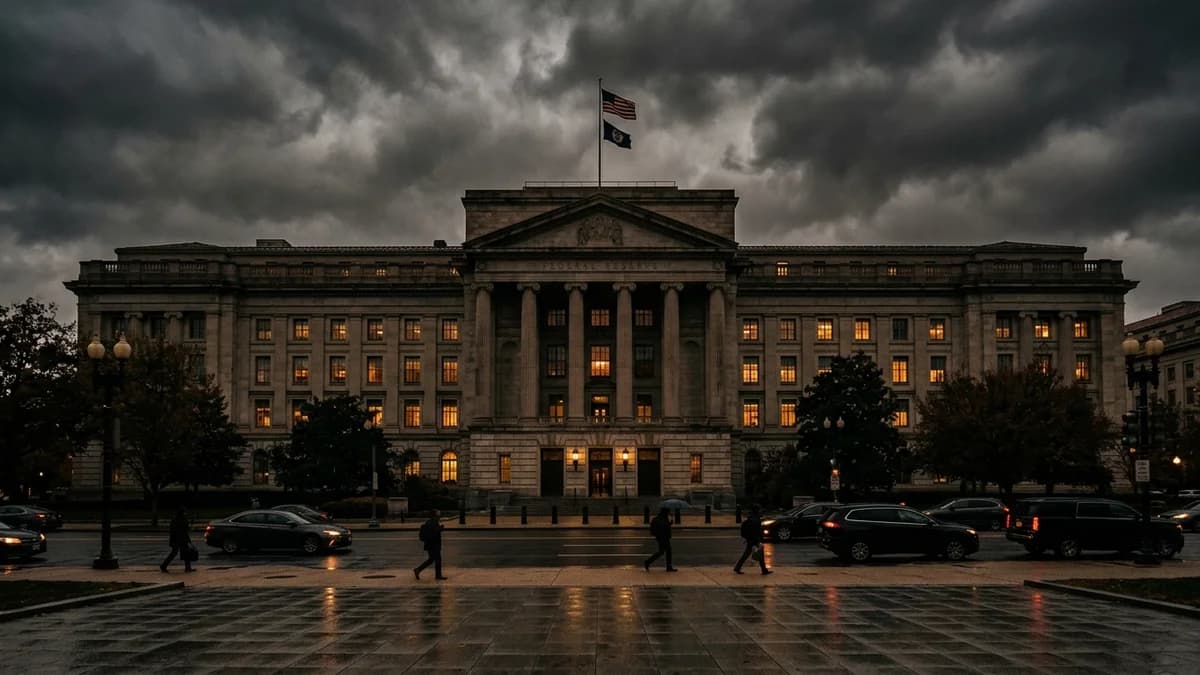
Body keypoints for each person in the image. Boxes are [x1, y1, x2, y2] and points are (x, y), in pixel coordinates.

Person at [734, 505, 772, 575]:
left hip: (750, 539)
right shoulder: (756, 520)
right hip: (754, 540)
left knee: (747, 554)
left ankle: (737, 568)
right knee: (759, 554)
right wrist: (758, 540)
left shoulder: (751, 518)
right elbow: (756, 531)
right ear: (757, 510)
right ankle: (764, 570)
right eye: (759, 509)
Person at [413, 509, 447, 580]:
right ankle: (438, 576)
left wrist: (439, 528)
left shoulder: (431, 521)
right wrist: (440, 528)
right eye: (438, 514)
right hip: (433, 544)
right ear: (434, 515)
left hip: (430, 544)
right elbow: (434, 532)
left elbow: (433, 531)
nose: (439, 515)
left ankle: (418, 570)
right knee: (437, 559)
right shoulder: (433, 522)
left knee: (431, 559)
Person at [160, 505, 194, 573]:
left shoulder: (175, 519)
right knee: (184, 553)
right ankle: (187, 568)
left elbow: (174, 530)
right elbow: (185, 530)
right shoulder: (182, 520)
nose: (186, 513)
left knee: (176, 553)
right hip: (180, 539)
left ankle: (164, 565)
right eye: (185, 512)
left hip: (176, 539)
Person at [644, 507, 677, 572]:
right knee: (667, 551)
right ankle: (668, 567)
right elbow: (664, 527)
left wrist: (670, 523)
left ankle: (648, 562)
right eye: (668, 511)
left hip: (661, 537)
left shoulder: (660, 518)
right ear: (666, 512)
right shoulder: (663, 518)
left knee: (662, 552)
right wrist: (669, 524)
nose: (669, 513)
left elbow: (665, 526)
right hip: (663, 538)